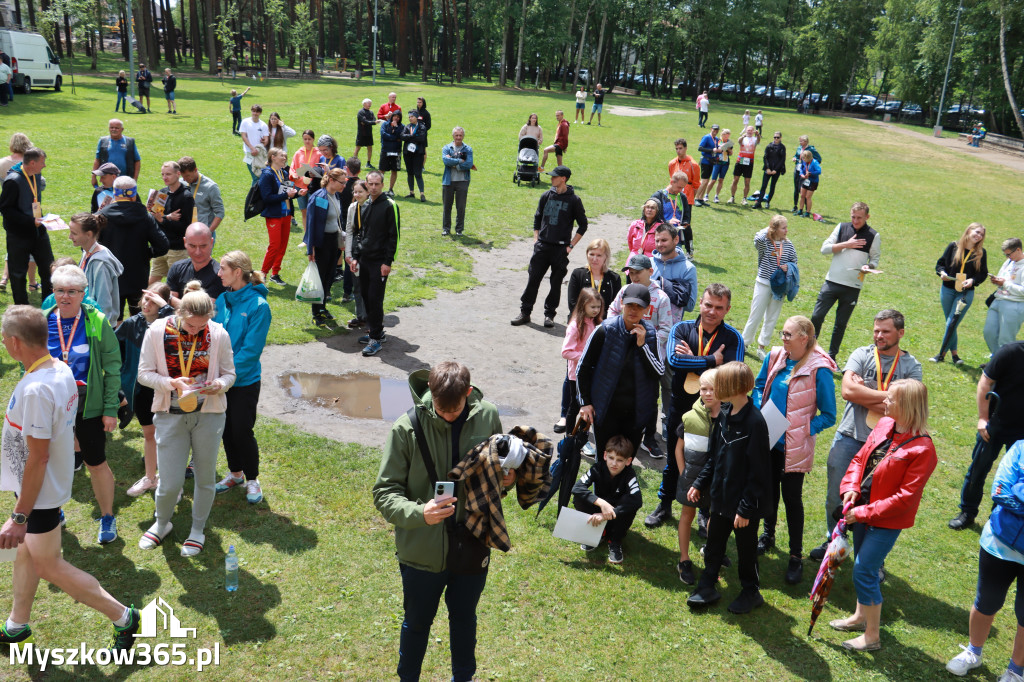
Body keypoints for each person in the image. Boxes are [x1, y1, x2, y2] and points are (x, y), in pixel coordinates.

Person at [0, 305, 141, 651]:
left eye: (4, 338)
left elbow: (38, 457)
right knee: (26, 555)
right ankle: (16, 624)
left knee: (50, 566)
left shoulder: (35, 389)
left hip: (40, 494)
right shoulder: (59, 368)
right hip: (44, 488)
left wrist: (20, 515)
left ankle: (124, 616)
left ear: (15, 343)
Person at [372, 361, 503, 682]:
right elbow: (384, 492)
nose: (447, 415)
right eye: (441, 410)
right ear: (430, 392)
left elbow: (495, 477)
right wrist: (421, 513)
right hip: (421, 552)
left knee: (464, 619)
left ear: (468, 394)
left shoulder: (488, 416)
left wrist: (508, 478)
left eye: (455, 409)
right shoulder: (405, 428)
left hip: (473, 543)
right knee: (417, 623)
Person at [830, 379, 936, 651]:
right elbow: (859, 460)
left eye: (890, 399)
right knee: (861, 566)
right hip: (862, 510)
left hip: (883, 521)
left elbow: (904, 499)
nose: (883, 402)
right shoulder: (884, 425)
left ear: (908, 406)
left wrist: (863, 512)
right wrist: (851, 489)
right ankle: (858, 617)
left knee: (865, 570)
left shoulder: (923, 450)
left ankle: (872, 635)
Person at [809, 309, 922, 561]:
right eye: (876, 330)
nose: (879, 335)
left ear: (900, 333)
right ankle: (834, 541)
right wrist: (890, 398)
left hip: (887, 445)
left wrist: (864, 392)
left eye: (886, 331)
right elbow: (848, 391)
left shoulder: (912, 367)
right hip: (850, 435)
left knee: (874, 502)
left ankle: (869, 557)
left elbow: (908, 408)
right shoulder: (861, 354)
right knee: (835, 496)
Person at [136, 282, 236, 557]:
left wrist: (219, 385)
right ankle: (161, 523)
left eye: (202, 326)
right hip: (170, 415)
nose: (196, 331)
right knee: (169, 482)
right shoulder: (157, 331)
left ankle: (198, 529)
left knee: (204, 478)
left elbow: (230, 373)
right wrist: (170, 382)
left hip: (209, 416)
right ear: (180, 314)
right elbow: (143, 374)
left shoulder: (219, 334)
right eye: (191, 326)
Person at [645, 284, 745, 529]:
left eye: (719, 308)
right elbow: (674, 360)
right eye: (708, 305)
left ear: (727, 309)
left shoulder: (733, 338)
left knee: (709, 460)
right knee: (672, 458)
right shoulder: (682, 328)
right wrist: (712, 360)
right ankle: (664, 504)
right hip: (680, 407)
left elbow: (733, 376)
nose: (712, 311)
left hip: (715, 412)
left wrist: (694, 360)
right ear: (700, 303)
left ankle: (704, 510)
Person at [751, 316, 837, 584]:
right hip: (768, 435)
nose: (783, 338)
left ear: (805, 338)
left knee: (792, 499)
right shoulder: (775, 356)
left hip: (794, 446)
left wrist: (804, 429)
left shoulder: (819, 369)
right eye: (782, 333)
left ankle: (796, 557)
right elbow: (758, 385)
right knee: (768, 491)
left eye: (788, 334)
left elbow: (829, 414)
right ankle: (768, 535)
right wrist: (759, 412)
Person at [44, 265, 122, 543]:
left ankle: (107, 517)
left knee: (95, 462)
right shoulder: (41, 321)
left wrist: (111, 409)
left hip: (86, 407)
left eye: (72, 292)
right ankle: (54, 512)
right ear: (53, 292)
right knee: (52, 461)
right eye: (60, 290)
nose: (65, 297)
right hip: (50, 408)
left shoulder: (96, 321)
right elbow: (27, 365)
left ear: (83, 294)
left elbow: (113, 368)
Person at [685, 361, 771, 614]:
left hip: (744, 505)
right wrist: (700, 483)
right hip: (720, 498)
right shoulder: (723, 414)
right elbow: (714, 455)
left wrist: (745, 510)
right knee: (714, 543)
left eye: (720, 383)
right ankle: (707, 584)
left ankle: (751, 591)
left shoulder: (755, 423)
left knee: (746, 551)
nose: (715, 388)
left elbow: (759, 473)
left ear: (734, 387)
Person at [945, 439, 1024, 682]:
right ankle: (973, 652)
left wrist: (1019, 492)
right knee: (985, 602)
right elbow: (1000, 491)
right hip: (999, 543)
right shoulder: (1021, 447)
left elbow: (1012, 493)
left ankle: (1016, 671)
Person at [576, 283, 664, 460]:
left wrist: (642, 346)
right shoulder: (605, 330)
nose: (634, 310)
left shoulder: (651, 334)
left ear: (646, 309)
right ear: (622, 304)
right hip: (605, 409)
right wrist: (585, 402)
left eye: (639, 307)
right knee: (603, 461)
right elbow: (582, 368)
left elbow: (658, 372)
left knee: (626, 463)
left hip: (635, 413)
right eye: (630, 305)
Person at [213, 251, 270, 505]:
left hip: (243, 381)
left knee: (242, 429)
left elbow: (250, 351)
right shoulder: (223, 300)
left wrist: (227, 374)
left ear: (238, 272)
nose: (218, 273)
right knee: (225, 428)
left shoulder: (259, 306)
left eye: (223, 268)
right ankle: (235, 474)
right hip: (221, 379)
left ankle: (252, 479)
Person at [950, 339, 1024, 531]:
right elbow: (985, 382)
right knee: (978, 470)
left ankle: (998, 518)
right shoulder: (1010, 352)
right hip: (995, 424)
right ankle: (967, 512)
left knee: (1015, 478)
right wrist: (983, 418)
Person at [609, 255, 673, 459]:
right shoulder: (624, 291)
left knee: (650, 397)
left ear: (650, 271)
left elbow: (667, 329)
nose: (634, 276)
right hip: (624, 353)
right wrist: (619, 329)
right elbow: (612, 311)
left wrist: (647, 338)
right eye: (631, 272)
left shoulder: (661, 298)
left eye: (638, 272)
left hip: (650, 356)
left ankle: (650, 439)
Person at [511, 166, 588, 328]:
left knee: (555, 283)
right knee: (533, 280)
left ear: (563, 179)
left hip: (560, 249)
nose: (551, 179)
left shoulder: (574, 200)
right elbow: (537, 218)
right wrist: (536, 240)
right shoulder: (546, 196)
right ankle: (525, 312)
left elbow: (583, 225)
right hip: (542, 247)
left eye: (555, 176)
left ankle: (549, 315)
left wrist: (570, 246)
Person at [118, 282, 174, 498]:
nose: (147, 303)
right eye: (145, 298)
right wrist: (120, 384)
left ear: (163, 304)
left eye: (154, 300)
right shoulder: (131, 324)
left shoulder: (171, 323)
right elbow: (114, 354)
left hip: (165, 389)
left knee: (169, 437)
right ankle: (150, 478)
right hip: (141, 391)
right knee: (149, 433)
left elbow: (179, 327)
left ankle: (170, 483)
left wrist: (166, 309)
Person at [810, 202, 880, 361]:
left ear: (867, 217)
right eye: (853, 217)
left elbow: (875, 259)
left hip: (852, 287)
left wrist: (868, 266)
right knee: (816, 316)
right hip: (832, 282)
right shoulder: (841, 228)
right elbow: (824, 249)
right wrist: (846, 244)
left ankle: (831, 358)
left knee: (840, 324)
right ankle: (809, 350)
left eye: (859, 218)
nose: (855, 221)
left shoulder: (873, 236)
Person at [98, 177, 168, 319]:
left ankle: (116, 341)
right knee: (138, 316)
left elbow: (88, 245)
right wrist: (146, 253)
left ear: (114, 193)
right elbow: (163, 245)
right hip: (137, 275)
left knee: (112, 317)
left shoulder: (102, 216)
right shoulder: (144, 217)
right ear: (134, 194)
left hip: (111, 274)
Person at [675, 368, 719, 585]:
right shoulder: (689, 418)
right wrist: (684, 473)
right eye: (704, 389)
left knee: (714, 517)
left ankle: (711, 553)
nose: (708, 393)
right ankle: (684, 559)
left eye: (713, 389)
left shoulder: (727, 418)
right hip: (691, 477)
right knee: (687, 515)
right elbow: (678, 448)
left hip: (715, 480)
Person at [572, 436, 642, 563]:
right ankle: (598, 533)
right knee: (579, 498)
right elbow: (577, 487)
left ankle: (615, 541)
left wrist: (606, 515)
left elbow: (637, 500)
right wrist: (601, 503)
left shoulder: (629, 474)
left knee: (630, 504)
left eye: (620, 460)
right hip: (599, 509)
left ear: (628, 461)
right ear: (605, 455)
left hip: (617, 516)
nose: (614, 463)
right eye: (611, 458)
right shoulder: (597, 468)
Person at [352, 171, 400, 357]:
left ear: (382, 184)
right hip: (364, 260)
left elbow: (394, 236)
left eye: (377, 184)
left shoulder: (390, 205)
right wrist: (356, 256)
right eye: (370, 184)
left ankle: (376, 340)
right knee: (365, 296)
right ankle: (376, 332)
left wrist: (387, 262)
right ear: (366, 184)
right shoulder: (365, 205)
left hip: (379, 262)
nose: (373, 187)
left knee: (375, 299)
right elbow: (360, 233)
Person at [0, 147, 53, 305]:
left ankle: (49, 306)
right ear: (32, 163)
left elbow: (34, 201)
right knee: (18, 274)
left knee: (48, 268)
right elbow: (6, 210)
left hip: (38, 231)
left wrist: (41, 220)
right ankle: (21, 309)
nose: (44, 165)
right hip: (19, 235)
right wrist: (30, 221)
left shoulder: (36, 175)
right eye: (42, 162)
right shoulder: (13, 181)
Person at [741, 215, 798, 357]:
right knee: (756, 314)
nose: (786, 230)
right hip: (763, 283)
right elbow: (757, 238)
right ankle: (745, 343)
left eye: (786, 227)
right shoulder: (765, 242)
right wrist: (769, 228)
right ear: (775, 229)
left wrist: (788, 267)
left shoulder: (788, 245)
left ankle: (762, 346)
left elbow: (794, 262)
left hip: (779, 288)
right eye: (783, 228)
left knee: (772, 317)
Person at [932, 222, 988, 364]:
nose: (979, 236)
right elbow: (940, 264)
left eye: (981, 234)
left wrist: (972, 281)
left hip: (965, 293)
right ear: (968, 231)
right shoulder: (953, 246)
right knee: (951, 324)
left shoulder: (981, 253)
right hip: (947, 289)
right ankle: (955, 355)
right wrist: (942, 273)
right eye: (977, 232)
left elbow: (983, 274)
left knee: (951, 323)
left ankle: (941, 355)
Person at [303, 167, 346, 325]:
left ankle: (323, 308)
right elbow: (312, 223)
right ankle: (316, 313)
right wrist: (311, 248)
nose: (344, 185)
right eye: (342, 182)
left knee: (329, 276)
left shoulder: (336, 196)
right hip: (322, 243)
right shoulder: (319, 197)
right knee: (320, 278)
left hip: (333, 241)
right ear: (332, 181)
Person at [559, 287, 604, 433]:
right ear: (583, 305)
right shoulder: (575, 326)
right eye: (592, 307)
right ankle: (570, 436)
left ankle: (583, 435)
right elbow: (566, 352)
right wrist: (586, 358)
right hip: (576, 375)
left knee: (590, 405)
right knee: (575, 406)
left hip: (592, 373)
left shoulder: (596, 322)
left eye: (598, 307)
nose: (596, 310)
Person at [68, 212, 123, 326]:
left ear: (88, 234)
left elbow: (104, 303)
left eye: (74, 233)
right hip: (88, 319)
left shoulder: (100, 264)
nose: (70, 237)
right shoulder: (87, 252)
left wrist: (99, 329)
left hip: (98, 326)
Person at [147, 161, 194, 285]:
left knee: (177, 286)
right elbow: (154, 219)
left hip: (177, 249)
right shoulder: (161, 194)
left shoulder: (186, 197)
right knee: (150, 284)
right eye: (162, 174)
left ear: (178, 174)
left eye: (168, 174)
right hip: (161, 246)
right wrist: (167, 217)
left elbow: (184, 227)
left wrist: (162, 219)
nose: (164, 177)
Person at [258, 148, 300, 286]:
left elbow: (288, 191)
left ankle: (275, 274)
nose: (284, 158)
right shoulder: (267, 174)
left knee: (282, 246)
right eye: (282, 156)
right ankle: (262, 274)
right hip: (274, 215)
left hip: (286, 214)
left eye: (285, 156)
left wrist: (299, 193)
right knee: (274, 246)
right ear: (273, 157)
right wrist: (287, 195)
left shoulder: (284, 172)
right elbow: (267, 197)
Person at [983, 238, 1024, 355]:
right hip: (998, 299)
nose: (1007, 257)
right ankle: (997, 361)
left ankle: (1005, 368)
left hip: (1014, 304)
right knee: (989, 332)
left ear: (1018, 250)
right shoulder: (1010, 261)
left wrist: (1004, 284)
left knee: (1006, 340)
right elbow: (1003, 276)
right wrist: (997, 280)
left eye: (1008, 254)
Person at [167, 223, 224, 303]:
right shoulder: (177, 268)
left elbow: (204, 310)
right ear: (185, 242)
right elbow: (170, 303)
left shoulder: (220, 275)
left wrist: (172, 299)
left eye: (203, 246)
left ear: (211, 242)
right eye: (192, 246)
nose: (198, 252)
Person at [344, 179, 370, 330]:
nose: (357, 194)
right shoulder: (352, 207)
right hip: (355, 249)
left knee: (369, 286)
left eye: (361, 191)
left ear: (367, 192)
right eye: (355, 192)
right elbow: (349, 231)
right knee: (357, 285)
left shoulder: (372, 207)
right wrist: (348, 253)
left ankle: (370, 317)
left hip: (368, 250)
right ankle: (360, 316)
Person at [665, 141, 700, 250]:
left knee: (686, 225)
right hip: (673, 197)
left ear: (686, 148)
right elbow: (672, 179)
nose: (678, 151)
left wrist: (691, 197)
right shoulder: (672, 163)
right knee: (672, 221)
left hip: (687, 198)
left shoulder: (693, 164)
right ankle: (671, 247)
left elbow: (696, 184)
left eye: (680, 148)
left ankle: (690, 250)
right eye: (676, 148)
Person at [179, 156, 225, 239]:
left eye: (187, 176)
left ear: (195, 170)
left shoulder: (210, 187)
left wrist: (208, 232)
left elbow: (220, 212)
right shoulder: (180, 183)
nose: (185, 179)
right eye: (183, 176)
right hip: (184, 233)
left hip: (203, 234)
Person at [441, 127, 474, 237]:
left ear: (463, 136)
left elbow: (469, 164)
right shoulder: (447, 148)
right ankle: (446, 229)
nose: (458, 137)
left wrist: (453, 163)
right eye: (456, 135)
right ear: (453, 136)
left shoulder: (468, 149)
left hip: (462, 181)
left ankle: (459, 230)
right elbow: (446, 161)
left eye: (460, 135)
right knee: (447, 206)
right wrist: (460, 161)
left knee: (461, 207)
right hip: (448, 181)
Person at [290, 130, 320, 227]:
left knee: (313, 212)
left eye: (309, 139)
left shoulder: (318, 153)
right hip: (300, 185)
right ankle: (306, 236)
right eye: (305, 139)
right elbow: (292, 167)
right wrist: (294, 175)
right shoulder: (298, 153)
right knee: (304, 211)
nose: (307, 141)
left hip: (313, 187)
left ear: (313, 139)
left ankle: (312, 236)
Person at [752, 131, 786, 210]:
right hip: (768, 169)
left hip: (776, 170)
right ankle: (759, 202)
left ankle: (768, 201)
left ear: (780, 138)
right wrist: (767, 168)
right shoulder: (769, 146)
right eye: (775, 137)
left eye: (778, 137)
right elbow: (765, 157)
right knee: (763, 186)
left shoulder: (782, 147)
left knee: (772, 186)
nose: (776, 139)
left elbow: (782, 160)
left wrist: (775, 170)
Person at [729, 126, 760, 205]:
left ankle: (744, 199)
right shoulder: (743, 138)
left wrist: (758, 135)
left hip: (749, 162)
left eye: (751, 130)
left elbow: (758, 141)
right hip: (740, 160)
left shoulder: (755, 139)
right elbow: (739, 141)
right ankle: (732, 197)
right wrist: (743, 136)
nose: (749, 131)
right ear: (746, 131)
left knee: (747, 181)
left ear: (753, 131)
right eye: (748, 130)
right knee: (735, 179)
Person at [240, 104, 270, 184]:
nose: (255, 113)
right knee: (255, 177)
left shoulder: (263, 125)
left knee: (259, 176)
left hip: (259, 154)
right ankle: (253, 196)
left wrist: (262, 144)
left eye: (257, 112)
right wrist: (252, 148)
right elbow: (244, 136)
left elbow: (266, 139)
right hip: (248, 153)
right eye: (253, 111)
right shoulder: (245, 122)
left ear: (260, 113)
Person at [401, 111, 428, 202]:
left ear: (416, 117)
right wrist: (412, 136)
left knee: (418, 173)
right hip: (407, 153)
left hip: (418, 153)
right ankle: (411, 192)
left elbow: (421, 138)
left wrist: (409, 137)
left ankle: (422, 194)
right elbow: (402, 136)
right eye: (409, 117)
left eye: (412, 116)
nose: (410, 118)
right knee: (409, 172)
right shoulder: (407, 126)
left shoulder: (422, 127)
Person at [694, 124, 721, 207]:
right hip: (705, 161)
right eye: (714, 129)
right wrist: (711, 150)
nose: (715, 131)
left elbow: (717, 148)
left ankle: (701, 198)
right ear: (711, 129)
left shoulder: (717, 139)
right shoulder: (706, 137)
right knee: (704, 180)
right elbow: (700, 148)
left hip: (712, 161)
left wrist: (719, 150)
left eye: (717, 130)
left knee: (707, 180)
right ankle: (695, 198)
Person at [791, 135, 818, 213]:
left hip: (806, 172)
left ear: (806, 142)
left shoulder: (811, 149)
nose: (800, 142)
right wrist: (794, 158)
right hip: (798, 170)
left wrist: (810, 166)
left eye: (801, 141)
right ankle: (795, 206)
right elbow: (796, 155)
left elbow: (818, 159)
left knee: (803, 190)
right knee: (796, 188)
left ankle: (806, 209)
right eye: (800, 141)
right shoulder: (799, 148)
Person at [379, 110, 403, 195]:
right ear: (392, 116)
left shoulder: (401, 126)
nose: (396, 118)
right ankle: (379, 188)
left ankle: (391, 189)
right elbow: (383, 135)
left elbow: (400, 136)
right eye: (395, 116)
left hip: (396, 152)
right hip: (385, 150)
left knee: (394, 170)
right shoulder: (385, 124)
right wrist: (394, 138)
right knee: (382, 170)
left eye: (398, 117)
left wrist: (396, 128)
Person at [707, 128, 733, 204]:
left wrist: (728, 148)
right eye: (725, 136)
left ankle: (716, 196)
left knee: (721, 180)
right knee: (713, 180)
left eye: (728, 136)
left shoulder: (729, 142)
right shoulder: (717, 141)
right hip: (717, 162)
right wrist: (722, 147)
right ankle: (706, 194)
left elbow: (731, 153)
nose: (727, 138)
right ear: (722, 135)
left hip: (725, 163)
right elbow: (716, 149)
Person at [795, 149, 821, 218]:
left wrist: (810, 174)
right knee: (802, 195)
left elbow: (819, 171)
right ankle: (800, 210)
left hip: (813, 181)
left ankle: (807, 212)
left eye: (804, 158)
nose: (803, 159)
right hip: (805, 180)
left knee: (808, 197)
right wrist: (802, 174)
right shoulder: (804, 161)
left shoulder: (815, 162)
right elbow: (801, 169)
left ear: (808, 157)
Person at [355, 98, 376, 169]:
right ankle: (354, 163)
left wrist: (368, 122)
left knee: (370, 147)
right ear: (364, 104)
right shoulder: (361, 112)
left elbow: (373, 120)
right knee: (358, 147)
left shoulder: (371, 112)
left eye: (370, 103)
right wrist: (370, 122)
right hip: (361, 133)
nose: (370, 104)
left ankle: (368, 163)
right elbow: (365, 121)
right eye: (368, 103)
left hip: (369, 133)